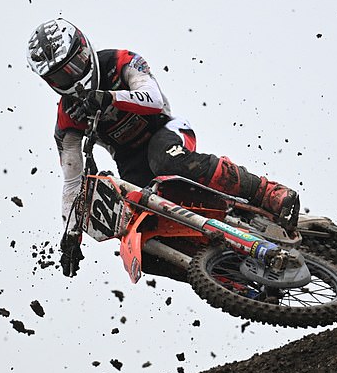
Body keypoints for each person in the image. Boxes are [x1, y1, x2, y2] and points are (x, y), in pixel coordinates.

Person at [26, 18, 299, 276]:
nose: (72, 76)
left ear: (85, 49)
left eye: (75, 64)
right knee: (140, 236)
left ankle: (267, 191)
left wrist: (109, 98)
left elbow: (154, 99)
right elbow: (73, 182)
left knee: (166, 162)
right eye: (61, 76)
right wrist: (71, 236)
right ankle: (226, 276)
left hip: (165, 132)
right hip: (131, 164)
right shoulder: (67, 117)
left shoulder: (120, 61)